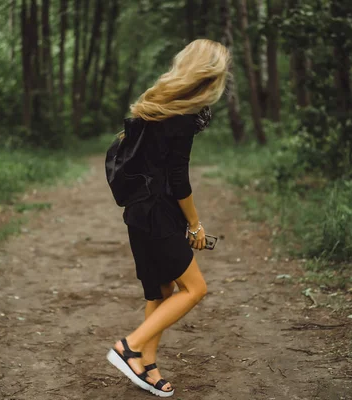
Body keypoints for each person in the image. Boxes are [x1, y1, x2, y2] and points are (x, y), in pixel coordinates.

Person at [106, 39, 230, 397]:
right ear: (209, 74)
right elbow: (178, 179)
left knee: (160, 289)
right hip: (159, 212)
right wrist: (195, 224)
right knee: (195, 289)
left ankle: (147, 364)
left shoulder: (157, 100)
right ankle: (129, 347)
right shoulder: (184, 115)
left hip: (139, 212)